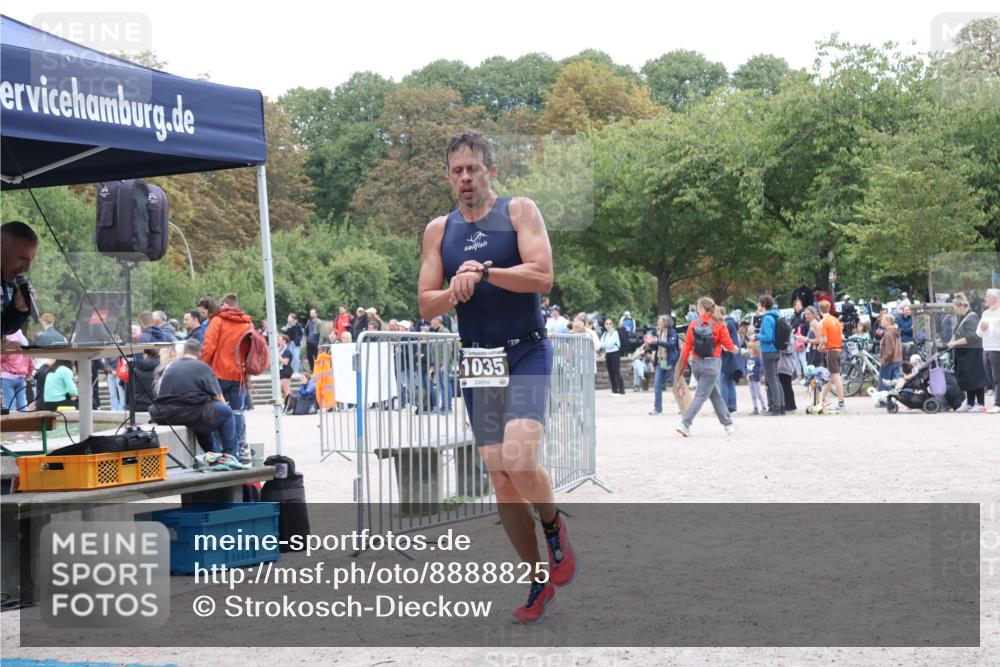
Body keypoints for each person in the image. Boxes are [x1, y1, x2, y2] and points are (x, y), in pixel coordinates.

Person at [416, 129, 575, 624]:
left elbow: (542, 275)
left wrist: (485, 273)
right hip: (479, 359)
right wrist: (455, 291)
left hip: (525, 350)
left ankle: (552, 527)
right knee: (500, 476)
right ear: (448, 176)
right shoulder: (438, 231)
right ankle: (537, 580)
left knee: (520, 458)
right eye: (457, 171)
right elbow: (426, 304)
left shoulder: (519, 211)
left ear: (491, 171)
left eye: (474, 169)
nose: (466, 179)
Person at [150, 339, 241, 461]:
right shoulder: (202, 367)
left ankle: (214, 454)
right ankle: (231, 455)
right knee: (227, 413)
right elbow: (218, 396)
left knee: (202, 417)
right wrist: (225, 409)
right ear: (200, 353)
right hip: (189, 411)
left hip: (166, 413)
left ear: (184, 351)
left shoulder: (170, 367)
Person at [674, 296, 740, 436]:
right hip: (712, 364)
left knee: (714, 394)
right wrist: (735, 349)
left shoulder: (693, 325)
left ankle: (728, 424)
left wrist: (681, 367)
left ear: (702, 309)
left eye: (698, 308)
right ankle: (685, 423)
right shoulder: (719, 324)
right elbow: (727, 344)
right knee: (700, 396)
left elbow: (686, 349)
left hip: (697, 365)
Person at [201, 293, 254, 453]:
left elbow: (209, 346)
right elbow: (252, 348)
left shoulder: (218, 320)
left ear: (223, 304)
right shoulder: (247, 322)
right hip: (239, 375)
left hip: (219, 373)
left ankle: (221, 447)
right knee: (237, 411)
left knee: (217, 409)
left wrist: (202, 366)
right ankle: (237, 447)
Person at [947, 293, 988, 412]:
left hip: (973, 352)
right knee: (967, 378)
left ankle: (980, 403)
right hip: (964, 353)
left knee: (975, 378)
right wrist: (952, 341)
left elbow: (972, 336)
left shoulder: (972, 317)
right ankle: (970, 403)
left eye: (954, 307)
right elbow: (959, 333)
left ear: (960, 306)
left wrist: (954, 343)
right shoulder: (963, 317)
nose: (954, 310)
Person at [1, 222, 39, 339]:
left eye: (30, 261)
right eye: (22, 259)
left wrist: (18, 309)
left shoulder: (8, 282)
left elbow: (5, 328)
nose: (26, 269)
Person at [752, 294, 785, 416]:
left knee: (771, 379)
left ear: (763, 305)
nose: (757, 305)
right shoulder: (775, 316)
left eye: (759, 303)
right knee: (775, 378)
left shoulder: (767, 318)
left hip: (768, 351)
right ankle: (781, 405)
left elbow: (768, 336)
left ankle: (775, 407)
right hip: (776, 350)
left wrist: (756, 336)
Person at [817, 300, 846, 411]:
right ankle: (822, 400)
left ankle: (841, 402)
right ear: (829, 309)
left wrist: (820, 346)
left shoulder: (824, 322)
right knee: (829, 377)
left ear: (820, 310)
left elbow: (824, 339)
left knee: (835, 376)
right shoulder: (835, 320)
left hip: (831, 350)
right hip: (838, 348)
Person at [976, 288, 1000, 413]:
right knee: (990, 378)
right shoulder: (985, 313)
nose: (985, 299)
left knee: (997, 378)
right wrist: (982, 328)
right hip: (986, 348)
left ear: (994, 298)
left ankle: (998, 404)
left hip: (997, 349)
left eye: (987, 296)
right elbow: (978, 333)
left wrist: (990, 327)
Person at [650, 315, 679, 415]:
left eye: (660, 321)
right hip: (660, 361)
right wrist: (650, 342)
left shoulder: (672, 332)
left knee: (676, 385)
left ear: (665, 323)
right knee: (657, 385)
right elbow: (656, 347)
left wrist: (658, 341)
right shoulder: (659, 332)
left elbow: (671, 345)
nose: (658, 323)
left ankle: (684, 407)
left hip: (671, 361)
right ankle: (657, 408)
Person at [717, 307, 743, 414]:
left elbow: (723, 339)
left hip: (728, 355)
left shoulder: (726, 324)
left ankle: (724, 406)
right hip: (732, 354)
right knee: (729, 380)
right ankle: (731, 406)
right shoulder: (731, 323)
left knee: (723, 379)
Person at [2, 331, 33, 411]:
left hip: (8, 378)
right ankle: (26, 422)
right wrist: (27, 376)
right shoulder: (24, 349)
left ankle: (11, 423)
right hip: (21, 378)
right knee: (22, 404)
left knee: (10, 404)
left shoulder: (6, 348)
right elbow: (31, 365)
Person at [878, 313, 903, 394]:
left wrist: (885, 360)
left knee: (885, 383)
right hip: (897, 360)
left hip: (889, 362)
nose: (881, 321)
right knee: (894, 383)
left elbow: (890, 350)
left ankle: (884, 402)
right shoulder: (895, 330)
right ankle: (891, 401)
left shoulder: (889, 333)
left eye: (883, 319)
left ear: (888, 321)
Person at [601, 317, 625, 395]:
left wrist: (605, 344)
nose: (608, 325)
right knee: (610, 372)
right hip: (608, 354)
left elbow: (609, 344)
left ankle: (621, 390)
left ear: (612, 324)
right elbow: (601, 344)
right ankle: (614, 390)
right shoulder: (604, 334)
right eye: (606, 323)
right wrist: (605, 344)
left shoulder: (614, 332)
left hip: (615, 353)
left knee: (616, 372)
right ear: (604, 325)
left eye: (610, 323)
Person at [745, 340, 766, 415]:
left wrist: (761, 375)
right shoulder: (748, 358)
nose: (749, 350)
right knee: (752, 394)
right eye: (748, 348)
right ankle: (755, 408)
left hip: (756, 378)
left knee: (758, 393)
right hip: (750, 378)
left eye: (751, 348)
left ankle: (763, 407)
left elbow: (761, 367)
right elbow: (746, 367)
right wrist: (747, 374)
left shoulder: (758, 358)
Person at [305, 307, 322, 372]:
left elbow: (321, 333)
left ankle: (317, 370)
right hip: (309, 341)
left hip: (316, 341)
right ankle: (312, 369)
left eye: (313, 313)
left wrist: (320, 343)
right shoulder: (309, 321)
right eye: (310, 313)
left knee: (316, 356)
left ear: (316, 314)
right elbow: (306, 330)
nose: (311, 314)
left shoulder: (319, 322)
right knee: (309, 356)